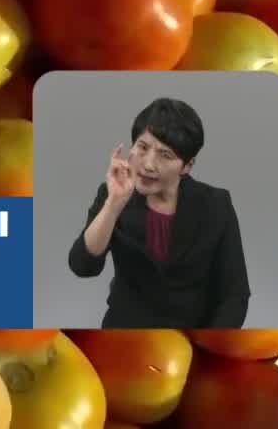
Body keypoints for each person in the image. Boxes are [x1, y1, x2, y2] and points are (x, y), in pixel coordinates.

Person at [67, 96, 249, 328]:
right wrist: (113, 204)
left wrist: (212, 342)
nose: (148, 164)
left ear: (188, 165)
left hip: (191, 338)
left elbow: (235, 294)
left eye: (166, 155)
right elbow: (82, 265)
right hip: (124, 334)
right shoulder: (112, 194)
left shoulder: (216, 204)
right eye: (142, 147)